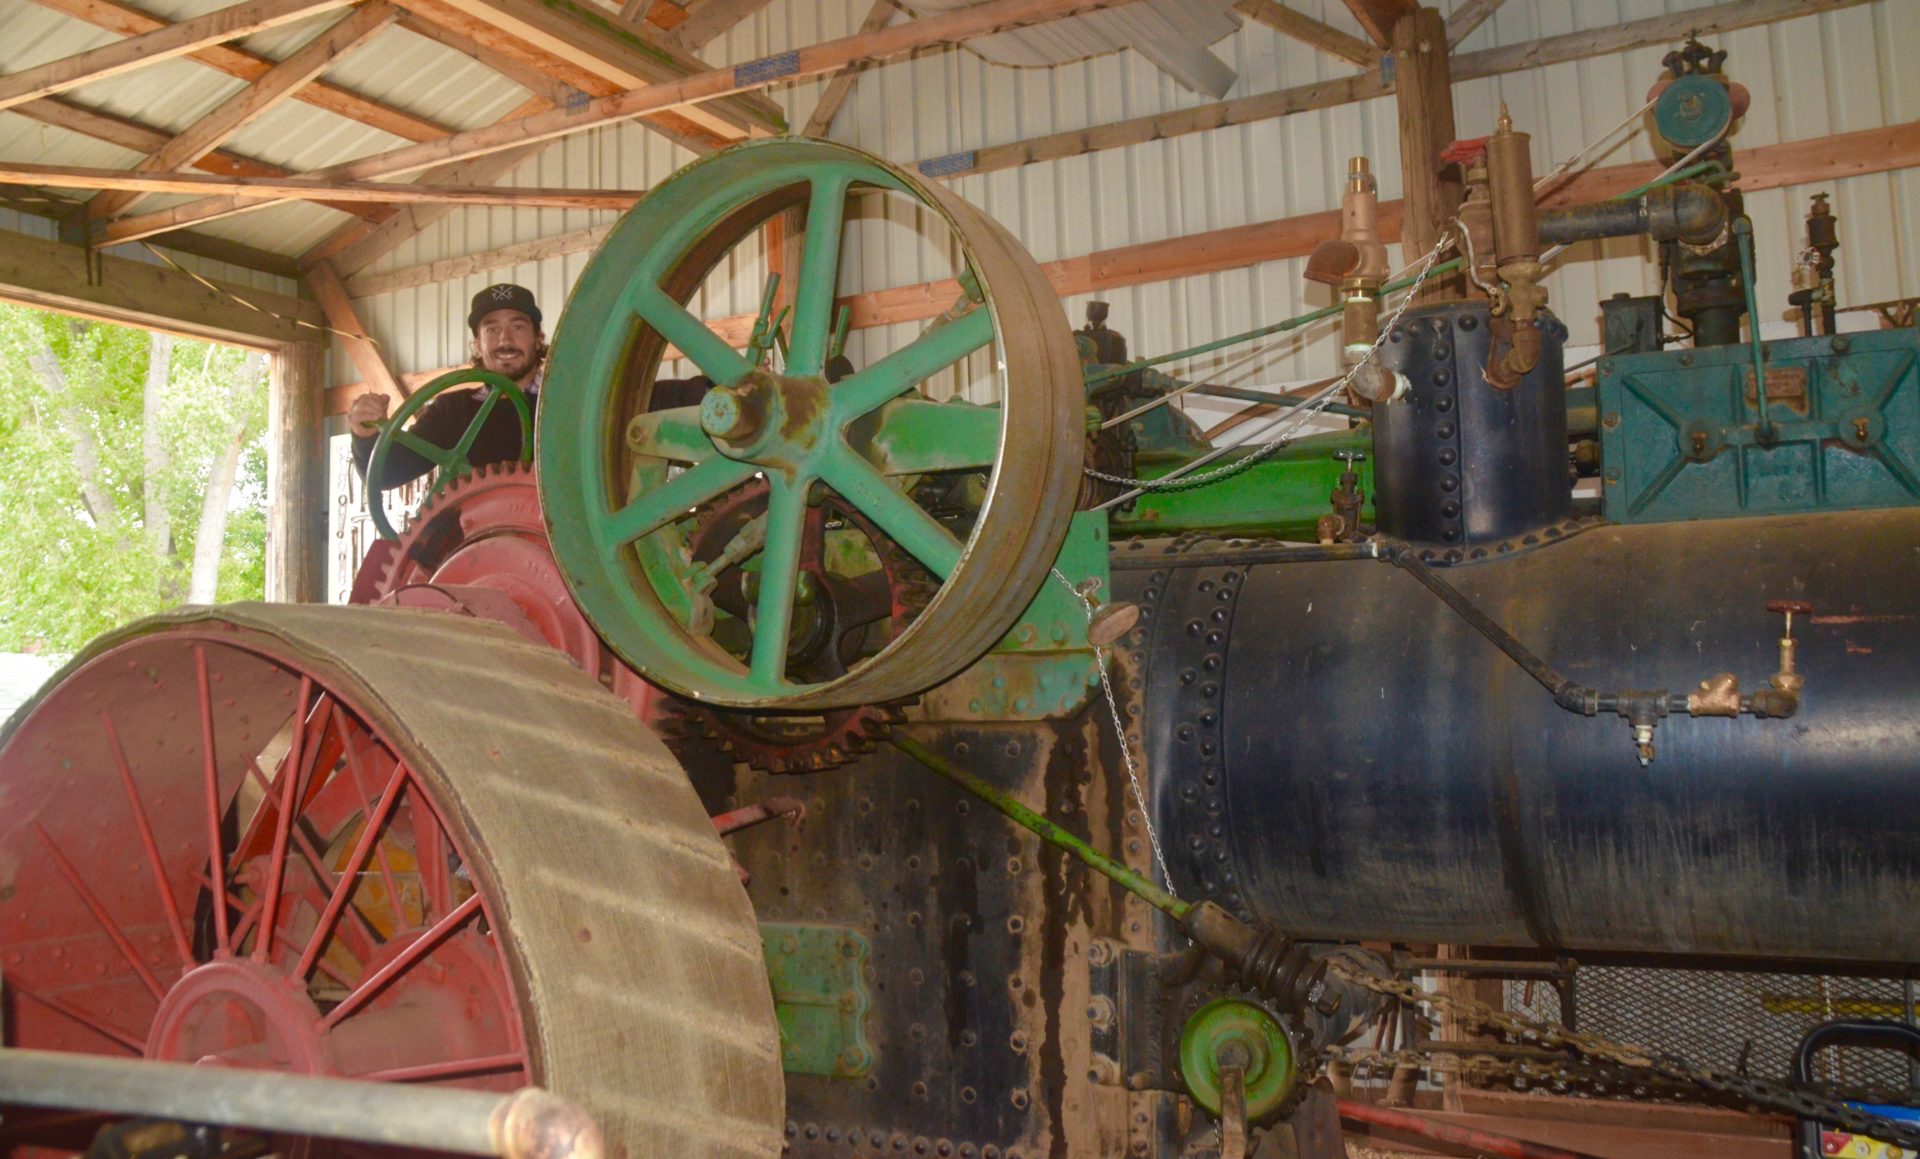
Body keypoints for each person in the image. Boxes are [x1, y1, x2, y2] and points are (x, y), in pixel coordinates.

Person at [349, 283, 548, 487]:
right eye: (492, 329)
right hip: (468, 520)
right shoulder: (451, 410)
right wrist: (364, 434)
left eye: (518, 327)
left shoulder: (566, 405)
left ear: (538, 339)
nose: (505, 339)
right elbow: (385, 475)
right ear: (478, 345)